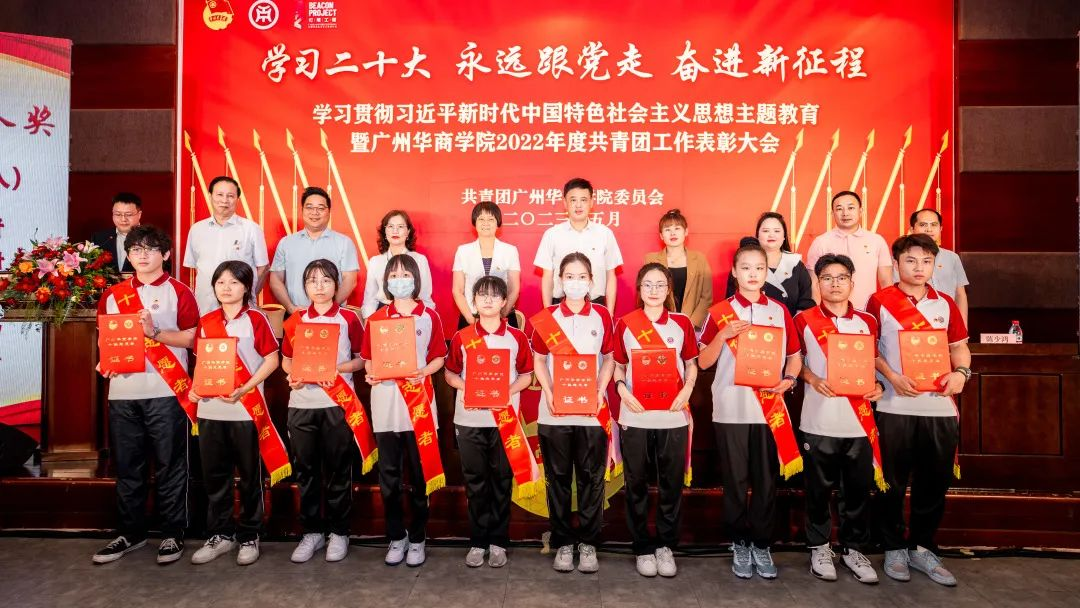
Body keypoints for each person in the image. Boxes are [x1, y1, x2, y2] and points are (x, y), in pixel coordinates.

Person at [867, 233, 970, 587]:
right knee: (891, 482)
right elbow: (868, 348)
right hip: (894, 406)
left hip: (939, 408)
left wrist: (961, 373)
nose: (919, 267)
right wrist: (892, 376)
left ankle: (923, 547)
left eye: (926, 261)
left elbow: (959, 348)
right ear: (897, 264)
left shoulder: (945, 304)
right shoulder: (880, 301)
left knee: (934, 481)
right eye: (911, 260)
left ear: (934, 265)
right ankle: (893, 546)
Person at [92, 225, 198, 565]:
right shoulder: (113, 294)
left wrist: (154, 332)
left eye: (150, 249)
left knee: (171, 465)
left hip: (166, 391)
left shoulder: (179, 292)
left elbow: (192, 339)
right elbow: (105, 337)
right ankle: (130, 533)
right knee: (128, 466)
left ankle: (172, 533)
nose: (142, 255)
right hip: (123, 392)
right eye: (135, 249)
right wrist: (105, 360)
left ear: (165, 254)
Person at [698, 241, 802, 580]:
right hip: (731, 409)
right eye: (745, 268)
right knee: (735, 480)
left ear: (766, 271)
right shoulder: (719, 312)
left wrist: (789, 379)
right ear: (734, 272)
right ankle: (739, 542)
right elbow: (703, 361)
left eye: (759, 268)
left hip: (769, 409)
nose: (753, 274)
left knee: (766, 480)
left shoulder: (779, 311)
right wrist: (723, 334)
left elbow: (795, 356)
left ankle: (761, 543)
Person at [793, 254, 884, 584]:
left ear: (852, 282)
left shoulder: (867, 321)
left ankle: (853, 549)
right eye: (827, 278)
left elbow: (875, 362)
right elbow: (794, 364)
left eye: (841, 277)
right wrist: (812, 378)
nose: (835, 284)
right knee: (818, 491)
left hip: (859, 423)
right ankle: (819, 547)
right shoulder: (804, 320)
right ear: (818, 282)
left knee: (856, 491)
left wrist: (879, 386)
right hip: (818, 420)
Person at [187, 261, 282, 566]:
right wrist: (195, 390)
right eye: (220, 282)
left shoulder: (256, 319)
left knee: (250, 476)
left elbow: (272, 360)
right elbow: (202, 363)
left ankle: (250, 534)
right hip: (210, 410)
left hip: (246, 408)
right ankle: (221, 534)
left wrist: (246, 388)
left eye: (234, 282)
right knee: (215, 476)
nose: (226, 288)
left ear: (246, 287)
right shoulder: (207, 321)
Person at [530, 252, 616, 574]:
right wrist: (550, 392)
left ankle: (589, 543)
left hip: (592, 413)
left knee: (592, 480)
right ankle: (563, 542)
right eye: (569, 276)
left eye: (582, 277)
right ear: (559, 280)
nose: (575, 282)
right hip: (554, 413)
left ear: (591, 281)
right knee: (558, 480)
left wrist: (599, 390)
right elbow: (539, 360)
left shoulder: (602, 315)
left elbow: (609, 358)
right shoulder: (547, 318)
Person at [612, 263, 698, 578]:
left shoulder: (681, 323)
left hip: (673, 416)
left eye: (660, 285)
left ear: (668, 289)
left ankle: (665, 545)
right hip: (635, 415)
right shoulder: (625, 324)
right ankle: (642, 547)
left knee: (670, 484)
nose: (653, 291)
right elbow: (618, 365)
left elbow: (691, 364)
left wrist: (687, 389)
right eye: (647, 284)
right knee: (635, 483)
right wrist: (621, 390)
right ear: (639, 288)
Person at [361, 253, 447, 567]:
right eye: (394, 275)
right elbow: (368, 359)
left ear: (416, 279)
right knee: (389, 476)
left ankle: (419, 538)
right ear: (386, 281)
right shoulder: (376, 318)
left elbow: (439, 357)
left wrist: (423, 372)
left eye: (406, 274)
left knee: (420, 475)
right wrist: (371, 373)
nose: (400, 280)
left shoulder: (429, 316)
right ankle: (397, 537)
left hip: (419, 404)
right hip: (385, 403)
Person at [444, 276, 535, 569]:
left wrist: (505, 392)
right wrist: (468, 387)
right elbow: (450, 373)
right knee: (475, 481)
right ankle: (478, 541)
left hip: (504, 419)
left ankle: (498, 541)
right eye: (481, 295)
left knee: (501, 480)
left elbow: (527, 376)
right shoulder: (462, 336)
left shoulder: (517, 337)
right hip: (469, 418)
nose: (487, 300)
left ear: (505, 302)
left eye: (495, 295)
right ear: (473, 301)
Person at [281, 259, 365, 564]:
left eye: (326, 280)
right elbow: (287, 360)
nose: (319, 286)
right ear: (304, 286)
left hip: (336, 404)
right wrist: (292, 374)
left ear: (336, 285)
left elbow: (361, 359)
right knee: (306, 470)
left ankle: (339, 532)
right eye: (312, 281)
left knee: (338, 469)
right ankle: (312, 531)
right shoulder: (295, 320)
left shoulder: (349, 318)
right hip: (301, 404)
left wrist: (337, 368)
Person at [183, 176, 269, 313]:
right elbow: (198, 268)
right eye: (220, 195)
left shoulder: (251, 229)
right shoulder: (196, 229)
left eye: (230, 196)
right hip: (205, 306)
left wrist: (248, 295)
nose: (224, 200)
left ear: (237, 199)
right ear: (210, 196)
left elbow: (263, 268)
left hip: (240, 306)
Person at [534, 178, 624, 309]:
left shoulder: (605, 234)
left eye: (583, 200)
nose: (578, 205)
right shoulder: (552, 234)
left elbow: (611, 276)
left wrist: (609, 313)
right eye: (573, 200)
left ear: (591, 202)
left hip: (595, 304)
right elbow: (547, 277)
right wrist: (548, 311)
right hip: (560, 304)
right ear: (565, 203)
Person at [269, 186, 360, 313]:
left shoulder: (344, 243)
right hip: (296, 313)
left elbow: (350, 280)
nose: (314, 212)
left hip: (334, 315)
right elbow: (276, 280)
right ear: (302, 210)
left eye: (320, 208)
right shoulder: (286, 243)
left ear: (329, 212)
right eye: (309, 207)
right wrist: (290, 307)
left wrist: (329, 308)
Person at [806, 191, 892, 309]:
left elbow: (886, 282)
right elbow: (813, 284)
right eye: (839, 209)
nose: (845, 213)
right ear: (832, 213)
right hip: (830, 313)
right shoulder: (821, 242)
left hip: (868, 312)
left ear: (860, 211)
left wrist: (886, 313)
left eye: (851, 208)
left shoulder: (876, 240)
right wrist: (816, 314)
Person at [726, 213, 814, 317]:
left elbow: (806, 301)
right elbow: (731, 303)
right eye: (766, 231)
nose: (771, 235)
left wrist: (795, 323)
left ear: (784, 236)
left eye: (777, 231)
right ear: (757, 235)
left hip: (790, 324)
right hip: (752, 325)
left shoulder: (795, 263)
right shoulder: (743, 265)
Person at [451, 201, 522, 329]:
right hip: (471, 315)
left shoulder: (510, 250)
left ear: (498, 223)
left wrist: (502, 315)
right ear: (475, 222)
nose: (486, 223)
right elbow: (458, 290)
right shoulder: (463, 251)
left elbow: (514, 289)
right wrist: (470, 319)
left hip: (502, 316)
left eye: (490, 219)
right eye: (481, 219)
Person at [643, 208, 713, 329]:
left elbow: (707, 297)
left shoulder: (699, 259)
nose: (672, 233)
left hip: (692, 326)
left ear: (686, 232)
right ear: (661, 235)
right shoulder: (650, 259)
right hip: (660, 325)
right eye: (667, 229)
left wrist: (690, 324)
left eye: (677, 228)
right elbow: (646, 293)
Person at [899, 208, 970, 324]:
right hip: (914, 322)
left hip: (947, 320)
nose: (929, 229)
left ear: (941, 228)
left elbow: (960, 295)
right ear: (912, 229)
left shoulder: (952, 258)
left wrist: (963, 325)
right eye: (923, 225)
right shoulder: (902, 257)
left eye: (934, 225)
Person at [360, 210, 435, 319]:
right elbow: (370, 299)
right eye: (390, 226)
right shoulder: (375, 262)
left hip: (412, 313)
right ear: (384, 232)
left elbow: (425, 297)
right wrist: (369, 320)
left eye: (400, 226)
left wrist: (426, 319)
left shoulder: (419, 260)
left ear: (408, 232)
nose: (395, 231)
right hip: (383, 313)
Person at [91, 192, 142, 273]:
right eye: (118, 214)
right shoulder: (100, 238)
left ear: (139, 215)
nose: (123, 219)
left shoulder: (152, 238)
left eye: (128, 214)